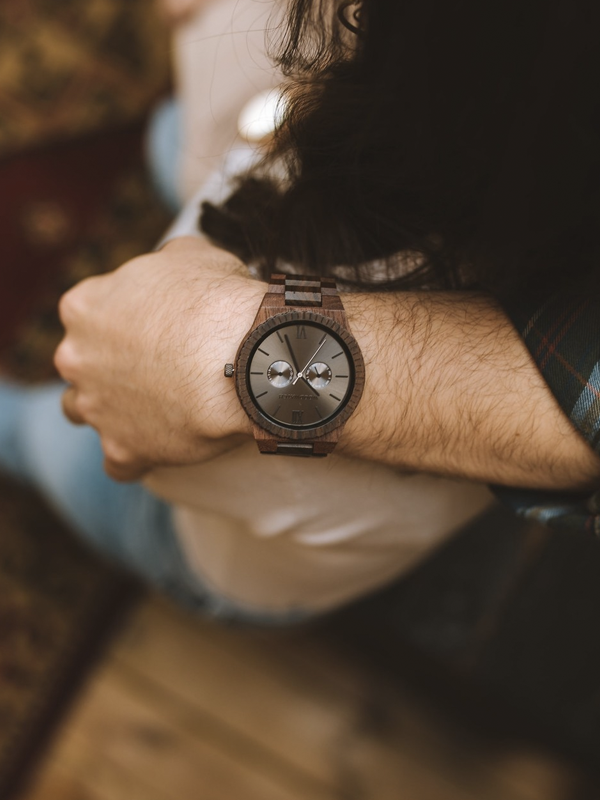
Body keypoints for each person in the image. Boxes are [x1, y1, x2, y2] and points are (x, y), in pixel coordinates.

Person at [2, 0, 600, 620]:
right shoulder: (482, 100)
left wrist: (222, 355)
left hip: (191, 525)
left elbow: (135, 440)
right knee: (177, 141)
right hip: (284, 172)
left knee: (41, 435)